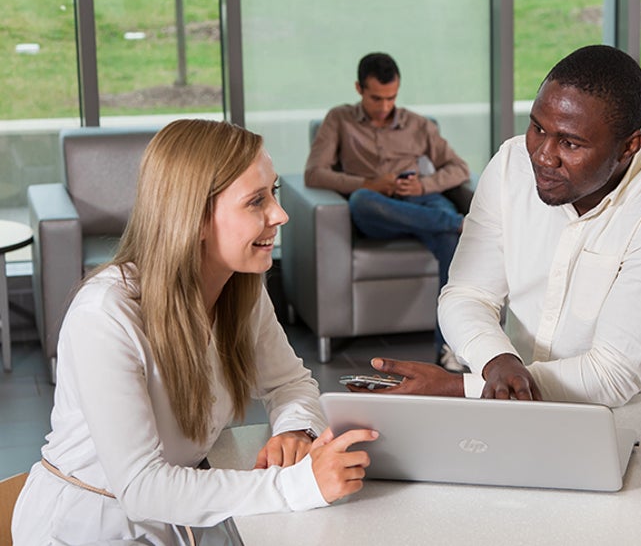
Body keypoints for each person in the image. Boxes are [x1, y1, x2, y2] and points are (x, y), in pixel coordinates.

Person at [13, 120, 377, 544]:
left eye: (272, 193)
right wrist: (302, 485)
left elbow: (289, 382)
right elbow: (142, 488)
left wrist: (295, 430)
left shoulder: (241, 290)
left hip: (176, 519)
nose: (280, 215)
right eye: (256, 201)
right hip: (87, 529)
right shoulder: (105, 314)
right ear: (196, 218)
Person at [352, 45, 641, 407]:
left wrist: (461, 386)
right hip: (509, 401)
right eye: (537, 127)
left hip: (622, 414)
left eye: (570, 142)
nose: (542, 155)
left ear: (628, 146)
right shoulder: (510, 164)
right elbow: (466, 295)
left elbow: (612, 376)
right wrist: (497, 362)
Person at [305, 52, 471, 369]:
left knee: (450, 241)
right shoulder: (339, 120)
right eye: (376, 98)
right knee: (362, 201)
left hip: (420, 199)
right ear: (359, 88)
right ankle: (455, 222)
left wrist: (423, 186)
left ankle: (449, 349)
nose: (384, 107)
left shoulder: (418, 125)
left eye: (391, 98)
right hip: (378, 209)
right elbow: (315, 173)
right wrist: (368, 182)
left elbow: (458, 168)